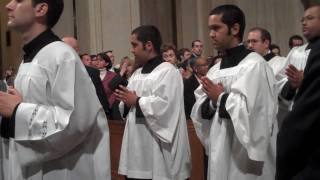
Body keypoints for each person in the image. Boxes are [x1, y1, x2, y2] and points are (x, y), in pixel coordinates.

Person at [0, 0, 111, 179]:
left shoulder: (62, 56)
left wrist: (16, 111)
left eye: (19, 1)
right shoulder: (30, 59)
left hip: (60, 169)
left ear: (41, 9)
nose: (8, 5)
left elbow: (74, 122)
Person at [191, 5, 277, 180]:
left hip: (245, 159)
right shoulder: (215, 70)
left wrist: (220, 98)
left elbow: (258, 115)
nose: (211, 34)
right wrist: (213, 101)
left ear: (235, 28)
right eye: (209, 29)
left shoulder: (255, 65)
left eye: (216, 28)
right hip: (219, 150)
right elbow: (200, 107)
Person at [115, 25, 191, 180]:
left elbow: (167, 107)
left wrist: (136, 100)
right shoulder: (136, 74)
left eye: (134, 45)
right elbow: (127, 105)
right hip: (137, 149)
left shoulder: (168, 71)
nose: (132, 50)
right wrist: (126, 102)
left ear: (148, 45)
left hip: (160, 151)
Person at [276, 1, 320, 179]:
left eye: (310, 18)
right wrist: (292, 86)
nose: (304, 22)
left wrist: (307, 81)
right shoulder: (296, 53)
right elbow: (280, 82)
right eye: (302, 19)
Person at [63, 36, 111, 117]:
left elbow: (101, 100)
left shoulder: (91, 73)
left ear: (76, 51)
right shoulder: (55, 71)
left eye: (64, 48)